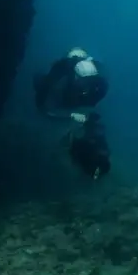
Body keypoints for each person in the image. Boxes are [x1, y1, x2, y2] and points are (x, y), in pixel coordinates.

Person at [33, 47, 111, 179]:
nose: (86, 87)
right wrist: (70, 115)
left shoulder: (98, 85)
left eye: (89, 82)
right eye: (83, 83)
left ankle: (92, 165)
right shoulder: (56, 84)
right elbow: (44, 109)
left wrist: (86, 115)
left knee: (91, 131)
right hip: (62, 106)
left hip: (76, 108)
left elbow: (97, 99)